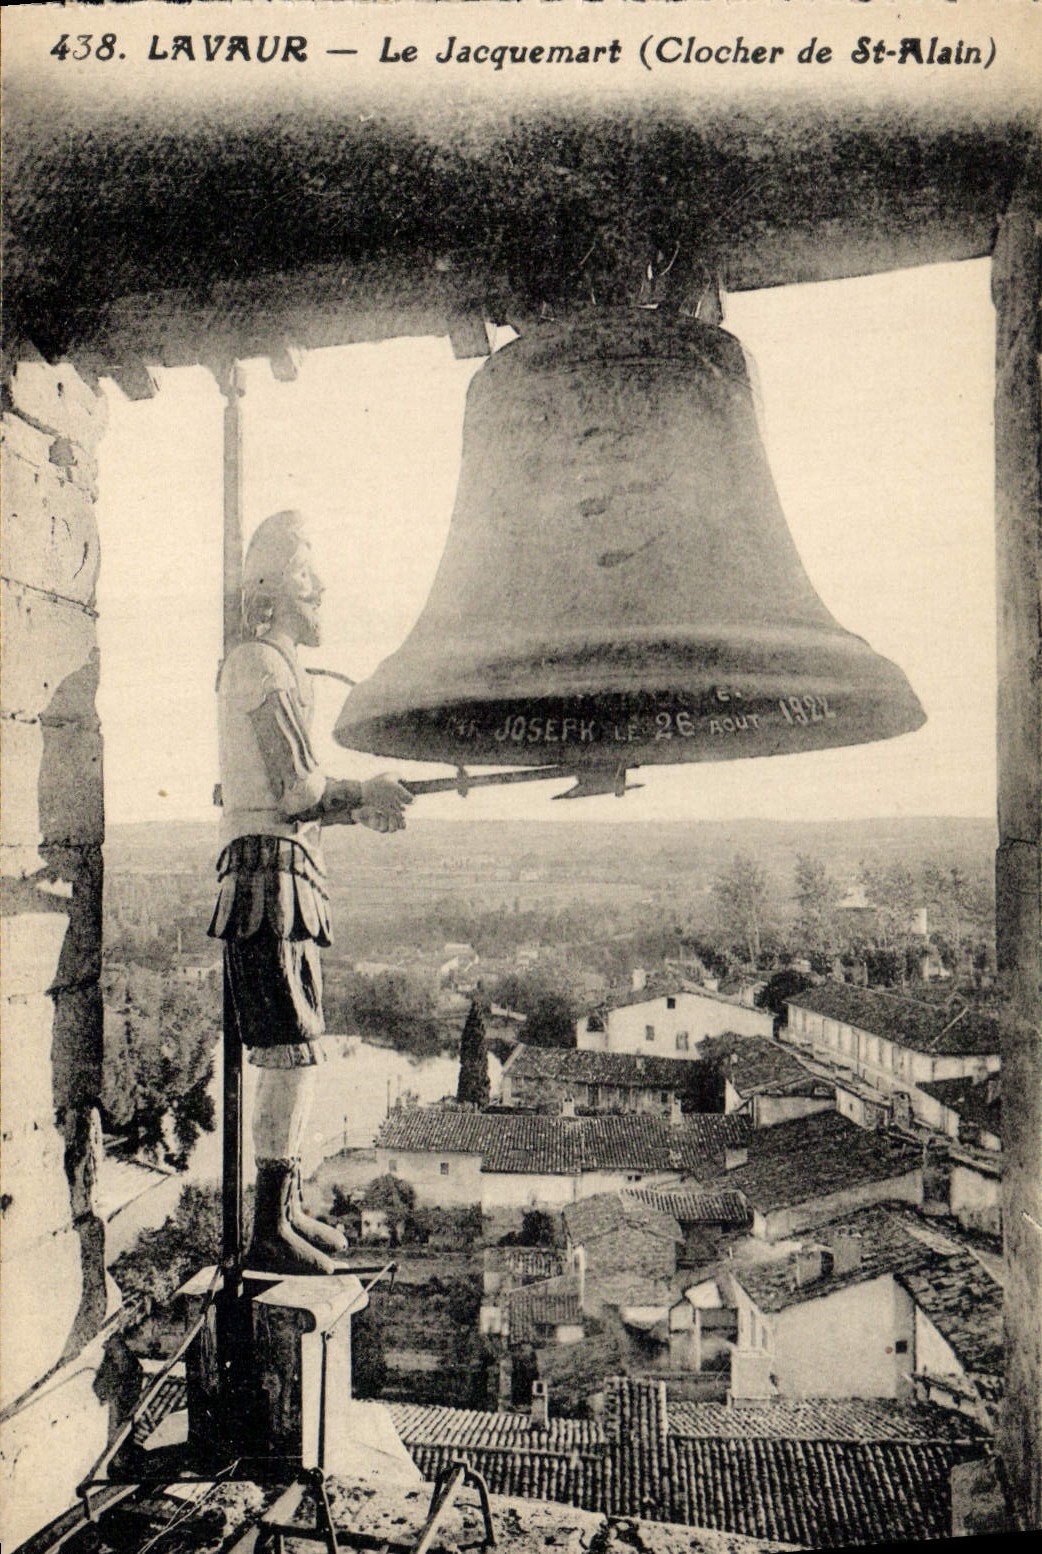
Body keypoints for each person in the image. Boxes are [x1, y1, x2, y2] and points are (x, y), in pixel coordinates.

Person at [208, 509, 412, 1274]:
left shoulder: (274, 665)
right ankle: (268, 1226)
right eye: (305, 574)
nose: (320, 587)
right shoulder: (259, 663)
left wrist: (362, 803)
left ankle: (283, 1211)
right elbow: (295, 786)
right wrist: (363, 789)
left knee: (298, 1051)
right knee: (290, 1053)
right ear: (273, 587)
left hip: (283, 870)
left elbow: (288, 795)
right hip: (267, 876)